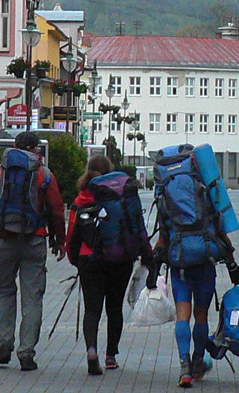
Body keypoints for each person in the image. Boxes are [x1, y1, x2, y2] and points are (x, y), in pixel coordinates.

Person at [153, 143, 239, 389]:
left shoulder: (165, 188)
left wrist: (154, 264)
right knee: (201, 314)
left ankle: (184, 369)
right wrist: (232, 264)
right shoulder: (204, 185)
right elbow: (220, 227)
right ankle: (198, 363)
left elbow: (163, 232)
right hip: (204, 256)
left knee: (183, 312)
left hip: (179, 258)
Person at [0, 131, 66, 371]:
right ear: (36, 149)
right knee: (32, 298)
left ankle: (4, 344)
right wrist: (60, 241)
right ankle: (26, 352)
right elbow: (57, 210)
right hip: (34, 240)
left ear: (15, 146)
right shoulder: (44, 174)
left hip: (4, 240)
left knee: (3, 291)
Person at [66, 155, 154, 376]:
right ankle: (111, 356)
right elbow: (138, 225)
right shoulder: (123, 195)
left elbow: (73, 232)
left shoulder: (84, 196)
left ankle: (92, 351)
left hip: (90, 259)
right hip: (120, 258)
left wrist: (75, 259)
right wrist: (147, 254)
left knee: (92, 309)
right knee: (114, 308)